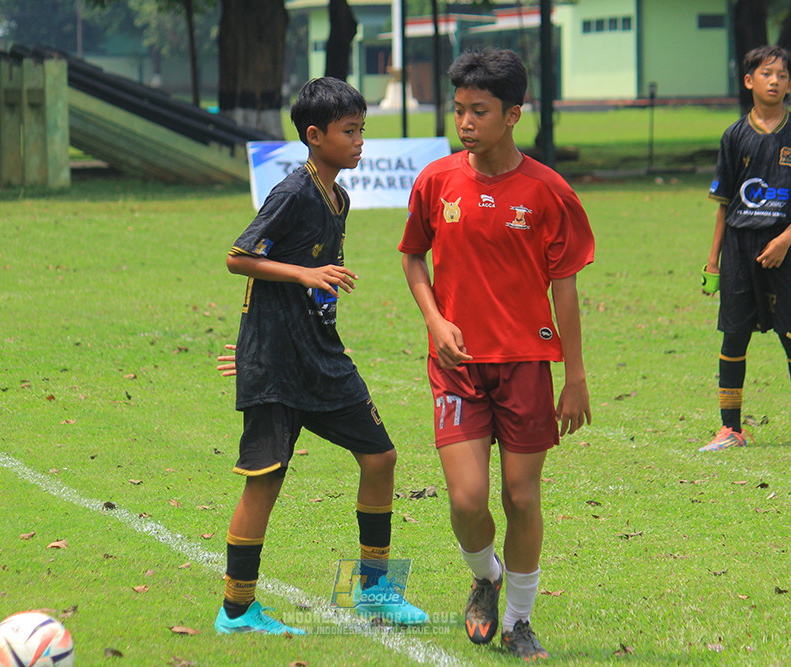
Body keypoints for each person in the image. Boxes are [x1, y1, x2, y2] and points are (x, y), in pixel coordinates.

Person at [399, 48, 595, 660]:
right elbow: (413, 257)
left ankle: (517, 622)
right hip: (456, 367)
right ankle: (485, 576)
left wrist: (576, 377)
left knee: (522, 498)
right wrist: (436, 321)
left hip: (526, 366)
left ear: (513, 114)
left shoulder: (548, 191)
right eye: (458, 110)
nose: (464, 122)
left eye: (478, 111)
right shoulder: (436, 181)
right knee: (465, 500)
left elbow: (564, 286)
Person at [214, 77, 427, 635]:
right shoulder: (292, 192)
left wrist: (299, 314)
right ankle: (236, 611)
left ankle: (375, 591)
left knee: (381, 458)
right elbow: (239, 257)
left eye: (362, 129)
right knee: (265, 480)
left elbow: (312, 288)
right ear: (315, 136)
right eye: (349, 131)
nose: (360, 141)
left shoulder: (340, 196)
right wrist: (263, 345)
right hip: (279, 368)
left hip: (321, 358)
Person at [699, 45, 791, 453]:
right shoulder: (734, 136)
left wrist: (786, 239)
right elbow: (724, 206)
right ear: (749, 80)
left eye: (782, 74)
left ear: (790, 84)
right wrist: (713, 260)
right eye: (766, 73)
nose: (774, 80)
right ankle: (730, 430)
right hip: (739, 249)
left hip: (785, 248)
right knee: (733, 337)